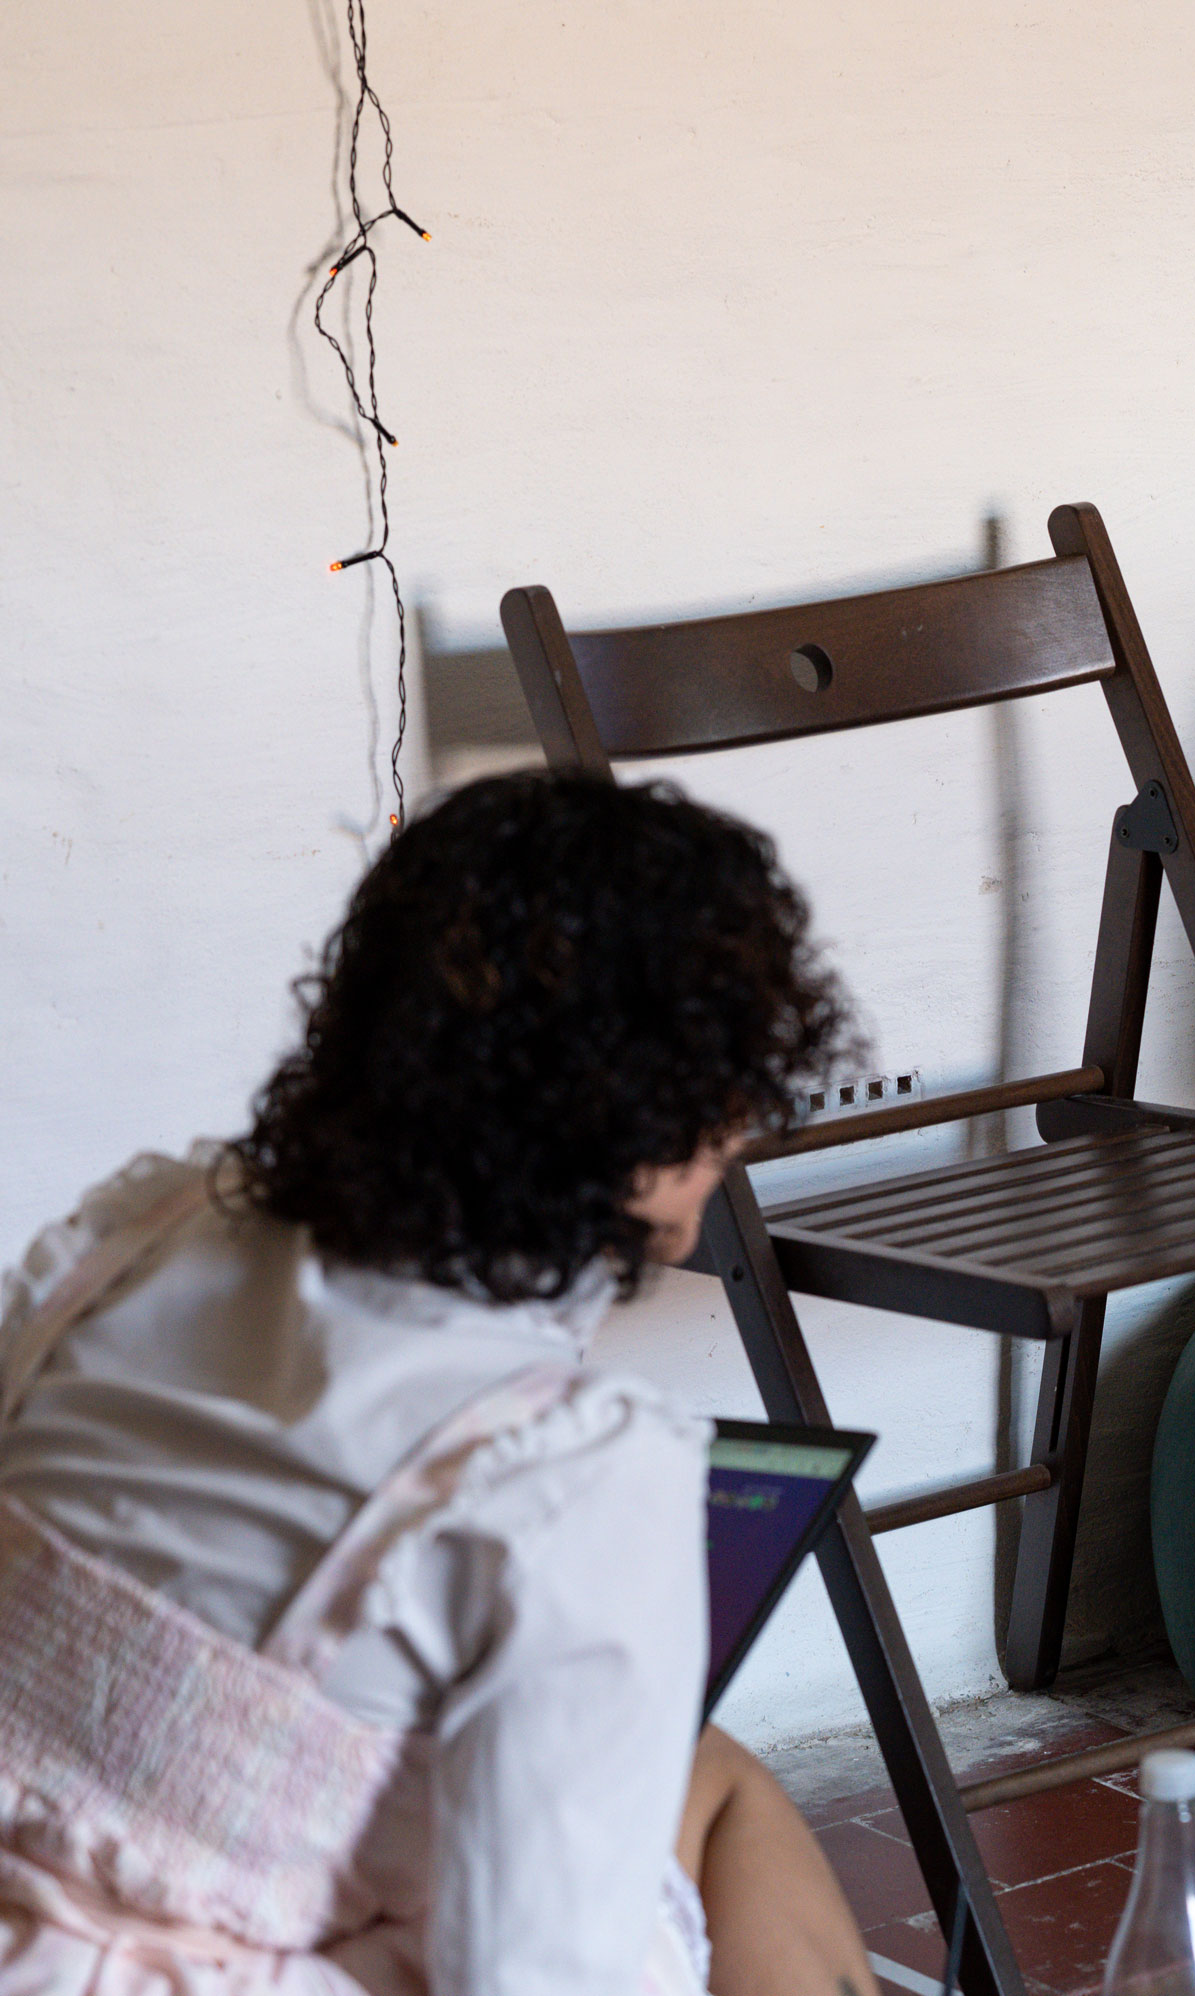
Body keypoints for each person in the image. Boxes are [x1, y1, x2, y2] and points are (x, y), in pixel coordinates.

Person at [0, 772, 880, 1996]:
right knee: (712, 1788)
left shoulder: (133, 1236)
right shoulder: (570, 1473)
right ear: (658, 1117)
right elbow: (535, 1977)